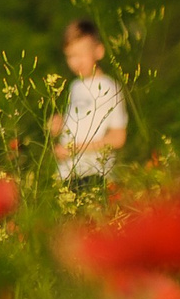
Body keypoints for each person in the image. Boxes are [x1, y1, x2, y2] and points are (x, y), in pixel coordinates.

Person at [52, 17, 126, 181]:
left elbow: (118, 137)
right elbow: (79, 122)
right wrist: (60, 124)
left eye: (81, 54)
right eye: (70, 56)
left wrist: (77, 149)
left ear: (99, 51)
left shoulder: (109, 87)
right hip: (67, 172)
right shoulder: (75, 86)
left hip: (95, 172)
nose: (75, 62)